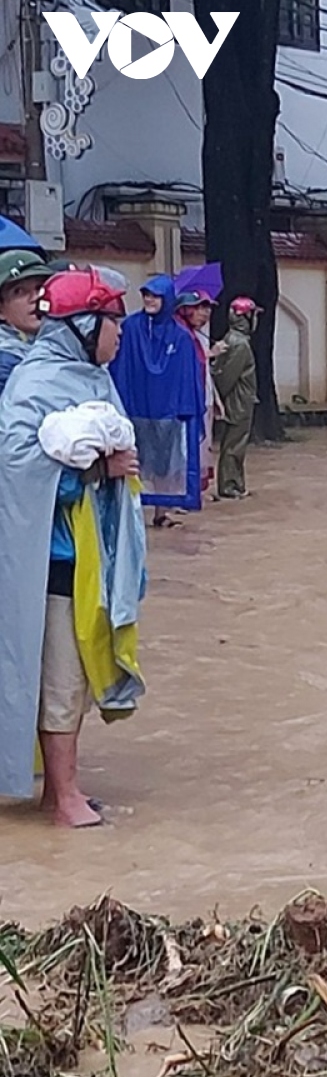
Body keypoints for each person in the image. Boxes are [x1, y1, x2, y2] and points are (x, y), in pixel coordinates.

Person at [0, 266, 146, 828]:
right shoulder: (33, 384)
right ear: (85, 324)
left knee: (75, 672)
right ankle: (63, 799)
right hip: (51, 555)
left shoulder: (89, 377)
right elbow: (15, 469)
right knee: (61, 672)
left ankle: (59, 789)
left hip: (89, 552)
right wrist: (93, 471)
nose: (120, 335)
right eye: (115, 322)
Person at [109, 274, 205, 527]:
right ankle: (130, 514)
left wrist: (188, 411)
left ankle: (161, 513)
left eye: (155, 296)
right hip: (135, 410)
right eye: (146, 295)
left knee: (164, 466)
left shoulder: (181, 337)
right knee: (132, 462)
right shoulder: (129, 328)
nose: (150, 300)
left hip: (167, 415)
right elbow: (117, 367)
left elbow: (189, 376)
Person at [211, 296, 259, 498]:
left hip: (240, 400)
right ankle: (230, 486)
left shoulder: (234, 340)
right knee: (234, 445)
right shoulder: (240, 344)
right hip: (238, 402)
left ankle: (236, 484)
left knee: (235, 443)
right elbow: (227, 377)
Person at [176, 288, 218, 494]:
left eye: (207, 307)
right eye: (200, 307)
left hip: (203, 400)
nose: (205, 312)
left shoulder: (196, 335)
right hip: (186, 405)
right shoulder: (180, 334)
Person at [0, 248, 53, 395]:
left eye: (40, 288)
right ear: (1, 311)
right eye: (19, 291)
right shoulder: (6, 362)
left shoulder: (62, 344)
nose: (35, 298)